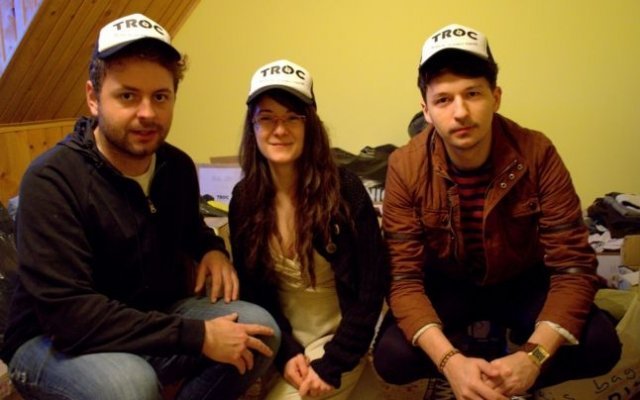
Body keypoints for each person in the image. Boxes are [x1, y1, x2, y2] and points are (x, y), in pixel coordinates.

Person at [0, 13, 280, 400]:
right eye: (128, 96)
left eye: (160, 97)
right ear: (93, 98)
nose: (147, 112)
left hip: (146, 316)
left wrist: (211, 249)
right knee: (130, 384)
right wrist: (198, 336)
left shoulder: (176, 166)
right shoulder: (52, 179)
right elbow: (69, 316)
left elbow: (190, 228)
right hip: (49, 339)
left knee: (259, 331)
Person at [372, 23, 621, 399]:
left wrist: (533, 358)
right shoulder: (405, 165)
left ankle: (506, 369)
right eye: (443, 100)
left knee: (602, 344)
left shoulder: (537, 153)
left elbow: (573, 268)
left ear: (496, 97)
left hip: (521, 279)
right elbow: (403, 279)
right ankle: (470, 369)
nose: (460, 112)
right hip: (448, 284)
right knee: (391, 357)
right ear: (426, 110)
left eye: (473, 94)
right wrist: (449, 362)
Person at [229, 59, 388, 399]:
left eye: (292, 117)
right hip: (285, 342)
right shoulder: (243, 199)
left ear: (310, 124)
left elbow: (371, 289)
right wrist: (286, 354)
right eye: (266, 118)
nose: (280, 130)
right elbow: (254, 294)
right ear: (252, 126)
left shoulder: (345, 190)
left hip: (341, 339)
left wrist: (335, 363)